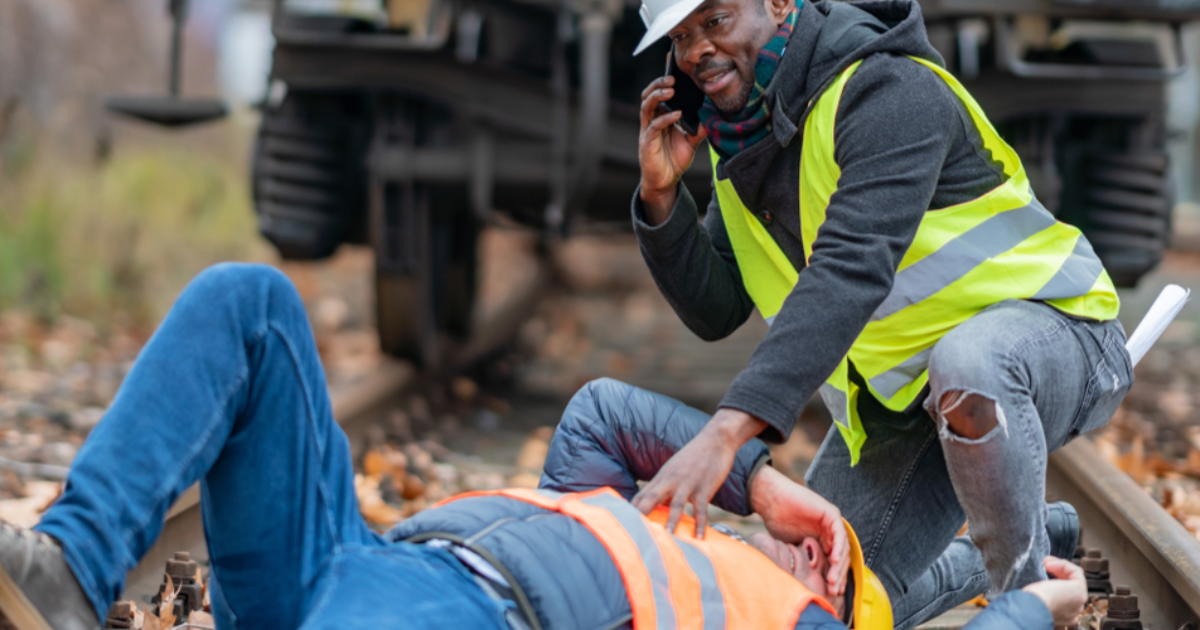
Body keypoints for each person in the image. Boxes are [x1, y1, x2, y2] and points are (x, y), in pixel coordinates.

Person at [0, 264, 1087, 630]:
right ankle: (71, 567)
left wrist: (1037, 602)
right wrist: (767, 490)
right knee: (252, 302)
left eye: (839, 571)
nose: (826, 554)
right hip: (350, 564)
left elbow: (948, 601)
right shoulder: (633, 518)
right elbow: (601, 411)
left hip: (472, 616)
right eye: (829, 551)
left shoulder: (788, 619)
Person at [627, 0, 1134, 626]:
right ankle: (1014, 547)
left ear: (780, 3)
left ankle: (1025, 600)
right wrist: (661, 195)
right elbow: (718, 309)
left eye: (716, 21)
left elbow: (851, 268)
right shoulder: (744, 140)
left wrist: (725, 433)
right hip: (907, 404)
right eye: (680, 37)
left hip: (1056, 338)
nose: (696, 49)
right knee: (816, 599)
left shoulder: (887, 88)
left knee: (968, 362)